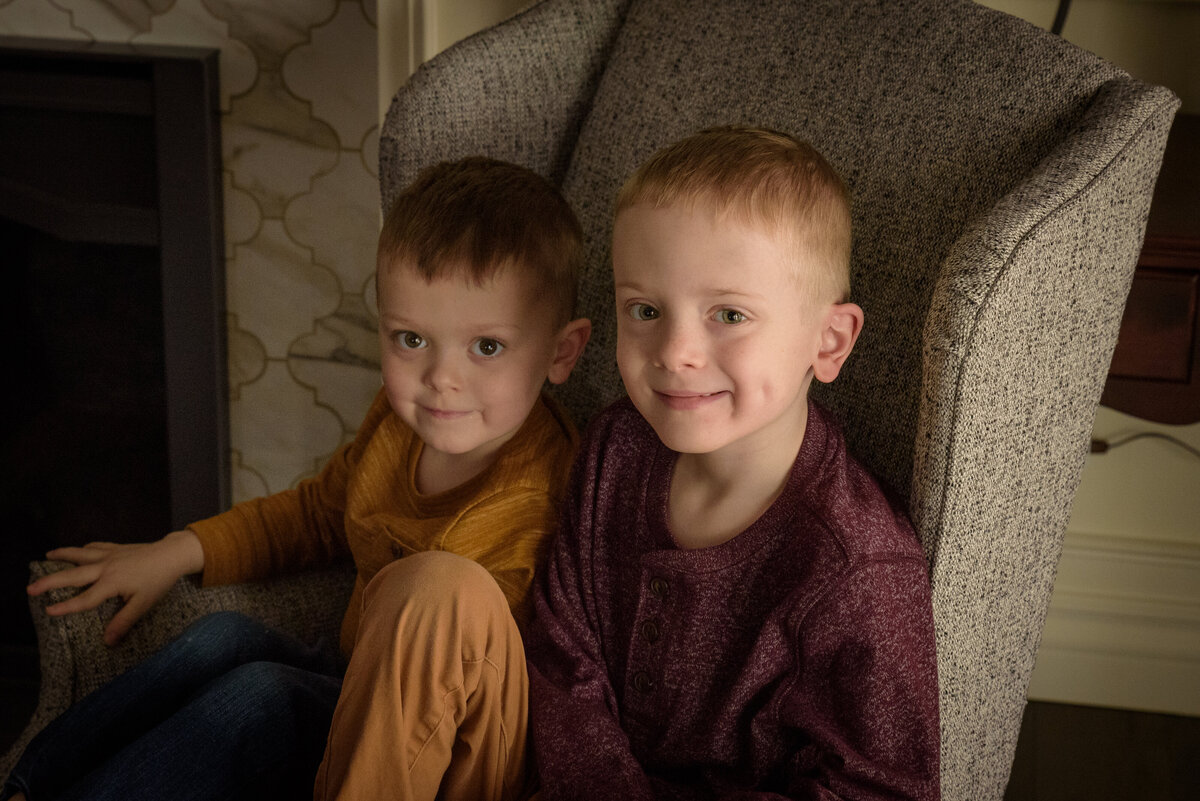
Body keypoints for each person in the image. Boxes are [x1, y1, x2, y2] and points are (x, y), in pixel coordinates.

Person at [4, 156, 592, 801]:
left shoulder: (539, 496)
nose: (440, 379)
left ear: (561, 353)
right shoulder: (400, 427)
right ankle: (29, 783)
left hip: (455, 747)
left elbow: (473, 679)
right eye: (411, 339)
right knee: (223, 637)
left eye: (486, 347)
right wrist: (175, 552)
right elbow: (318, 514)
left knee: (265, 696)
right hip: (357, 679)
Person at [524, 126, 941, 800]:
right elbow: (558, 645)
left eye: (727, 313)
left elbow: (880, 788)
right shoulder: (613, 449)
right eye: (646, 309)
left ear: (828, 342)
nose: (676, 350)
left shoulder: (854, 566)